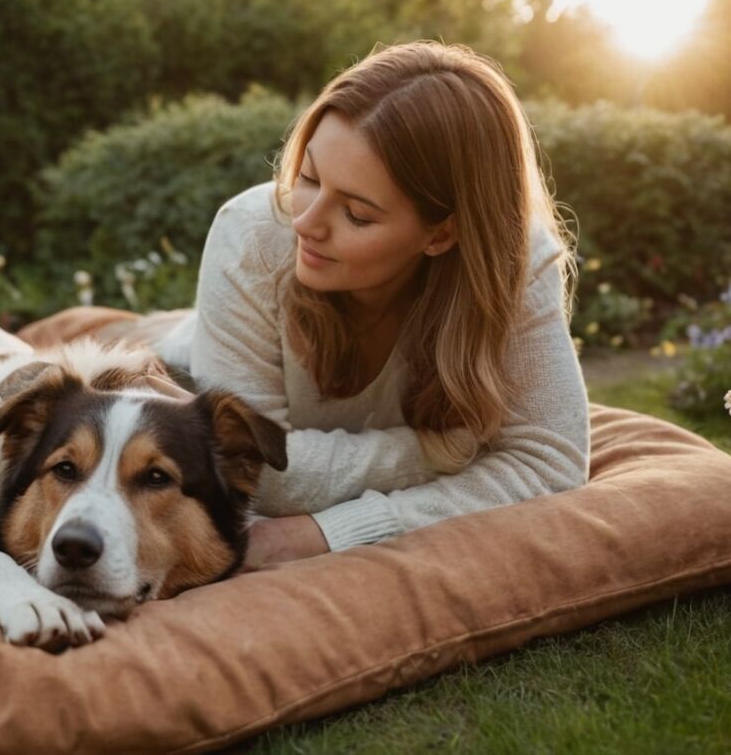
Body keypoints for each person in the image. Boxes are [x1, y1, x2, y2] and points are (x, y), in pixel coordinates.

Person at [158, 40, 590, 569]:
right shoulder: (250, 236)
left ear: (442, 234)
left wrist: (329, 532)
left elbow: (550, 465)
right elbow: (250, 468)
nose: (305, 223)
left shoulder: (513, 264)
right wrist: (441, 451)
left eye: (357, 214)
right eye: (309, 178)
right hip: (176, 365)